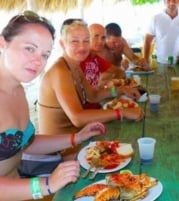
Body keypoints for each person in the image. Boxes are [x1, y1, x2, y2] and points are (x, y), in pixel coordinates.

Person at [0, 11, 106, 200]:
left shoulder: (17, 90)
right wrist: (47, 184)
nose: (37, 61)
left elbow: (24, 143)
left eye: (45, 54)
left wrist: (76, 138)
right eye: (29, 49)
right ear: (2, 44)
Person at [37, 19, 145, 157]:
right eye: (75, 41)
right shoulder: (60, 71)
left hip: (77, 138)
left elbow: (93, 95)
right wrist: (122, 112)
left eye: (86, 41)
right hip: (59, 153)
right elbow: (78, 117)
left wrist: (120, 90)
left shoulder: (74, 66)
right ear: (62, 44)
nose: (82, 47)